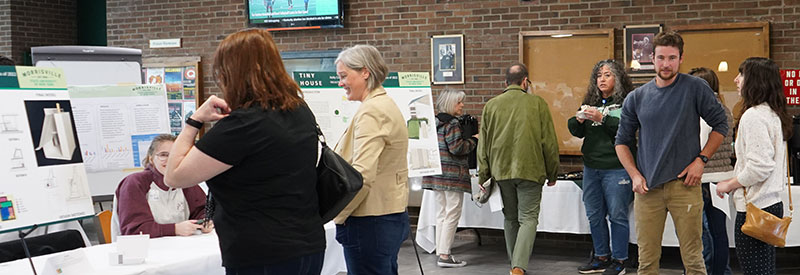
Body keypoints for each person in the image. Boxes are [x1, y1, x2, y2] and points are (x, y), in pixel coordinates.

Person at [164, 28, 325, 274]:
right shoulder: (299, 111)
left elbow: (174, 175)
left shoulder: (243, 125)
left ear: (232, 73)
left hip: (261, 253)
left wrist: (194, 121)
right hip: (307, 244)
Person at [615, 31, 728, 275]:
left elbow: (721, 125)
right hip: (647, 189)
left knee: (694, 260)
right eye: (662, 57)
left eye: (672, 58)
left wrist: (701, 160)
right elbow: (621, 142)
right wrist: (634, 175)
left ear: (681, 58)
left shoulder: (695, 88)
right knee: (646, 261)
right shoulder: (637, 97)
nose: (666, 64)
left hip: (684, 187)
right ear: (652, 59)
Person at [333, 44, 410, 275]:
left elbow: (362, 175)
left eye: (344, 76)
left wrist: (339, 214)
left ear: (365, 72)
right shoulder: (384, 103)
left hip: (369, 221)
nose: (340, 83)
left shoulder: (371, 110)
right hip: (388, 216)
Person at [478, 63, 560, 275]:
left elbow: (483, 144)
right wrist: (553, 172)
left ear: (505, 83)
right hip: (531, 170)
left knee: (510, 218)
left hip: (501, 171)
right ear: (525, 82)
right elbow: (548, 142)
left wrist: (483, 174)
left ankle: (515, 264)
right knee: (529, 218)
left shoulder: (491, 106)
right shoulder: (538, 104)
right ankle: (517, 267)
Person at [716, 57, 792, 275]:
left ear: (755, 81)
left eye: (742, 75)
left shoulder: (753, 116)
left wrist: (729, 184)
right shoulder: (772, 113)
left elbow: (759, 167)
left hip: (755, 206)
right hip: (770, 203)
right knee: (764, 269)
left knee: (755, 270)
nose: (736, 80)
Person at [567, 59, 634, 275]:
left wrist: (602, 118)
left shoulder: (627, 103)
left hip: (616, 167)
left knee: (617, 215)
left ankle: (620, 260)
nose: (602, 79)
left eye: (607, 75)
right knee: (594, 214)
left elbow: (627, 131)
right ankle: (601, 256)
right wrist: (577, 120)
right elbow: (576, 131)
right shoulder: (591, 102)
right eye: (599, 76)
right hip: (591, 168)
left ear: (618, 78)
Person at [421, 88, 477, 268]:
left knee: (442, 214)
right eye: (459, 102)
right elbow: (457, 148)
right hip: (452, 176)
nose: (462, 105)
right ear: (450, 104)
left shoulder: (433, 122)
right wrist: (474, 140)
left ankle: (441, 251)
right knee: (452, 214)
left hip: (436, 174)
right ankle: (445, 255)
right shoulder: (452, 124)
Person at [115, 134, 210, 237]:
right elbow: (134, 230)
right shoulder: (134, 183)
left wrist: (204, 221)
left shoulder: (185, 182)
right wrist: (174, 229)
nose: (170, 160)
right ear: (151, 159)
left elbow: (202, 210)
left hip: (179, 247)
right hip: (142, 249)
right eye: (164, 155)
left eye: (175, 155)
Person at [687, 67, 733, 275]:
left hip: (704, 178)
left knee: (703, 234)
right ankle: (721, 271)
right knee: (718, 232)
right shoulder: (723, 108)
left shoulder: (703, 108)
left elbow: (700, 143)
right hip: (722, 178)